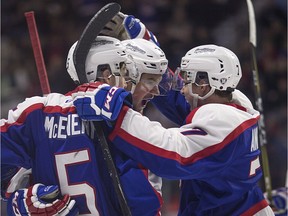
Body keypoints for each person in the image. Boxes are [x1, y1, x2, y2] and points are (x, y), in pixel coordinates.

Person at [72, 44, 275, 215]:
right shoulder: (236, 109)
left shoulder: (222, 121)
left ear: (204, 85)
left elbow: (171, 153)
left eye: (187, 81)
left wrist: (116, 112)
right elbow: (177, 99)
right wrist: (144, 39)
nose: (183, 88)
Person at [1, 35, 168, 215]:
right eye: (128, 73)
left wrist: (18, 203)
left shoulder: (38, 111)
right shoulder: (131, 127)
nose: (131, 83)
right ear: (106, 74)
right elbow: (143, 204)